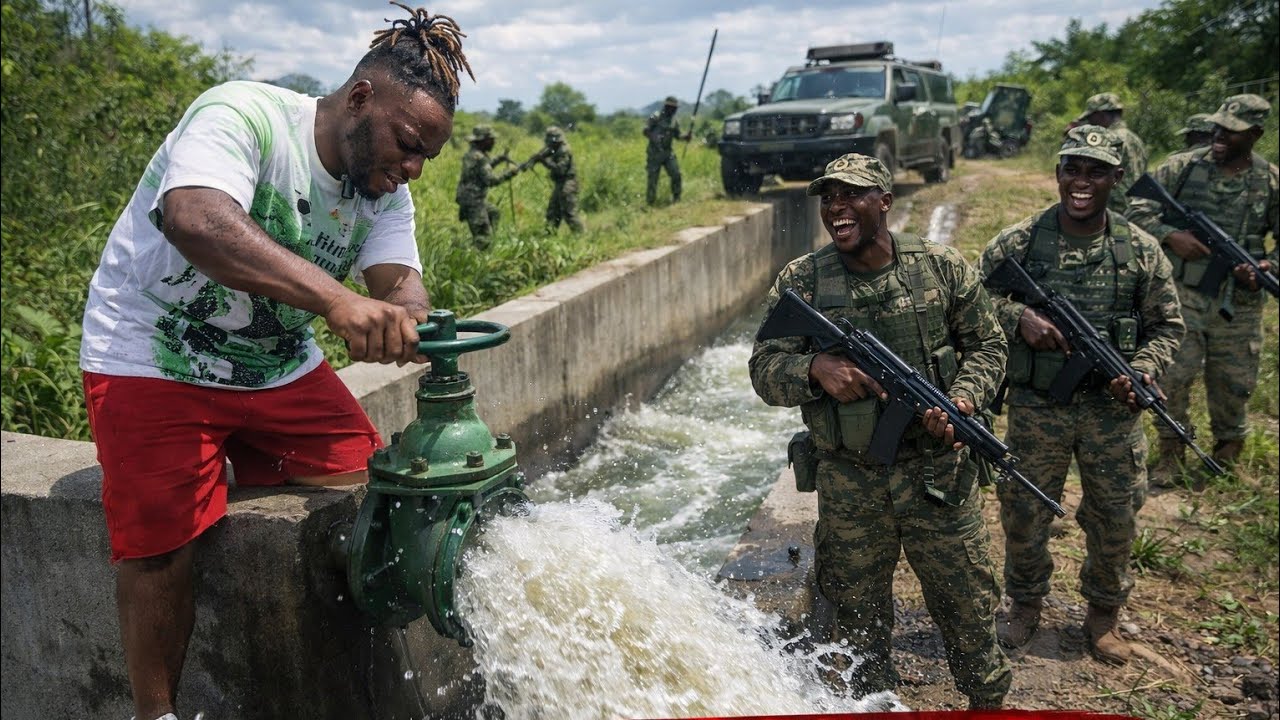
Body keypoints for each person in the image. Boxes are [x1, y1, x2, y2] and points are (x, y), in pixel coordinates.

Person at [77, 6, 471, 719]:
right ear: (360, 98)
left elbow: (397, 279)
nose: (410, 168)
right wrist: (336, 303)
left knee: (372, 483)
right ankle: (156, 712)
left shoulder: (383, 188)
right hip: (154, 354)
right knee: (162, 544)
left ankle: (222, 457)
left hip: (273, 365)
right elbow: (194, 216)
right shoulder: (245, 115)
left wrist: (412, 313)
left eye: (424, 159)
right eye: (406, 144)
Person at [749, 153, 1012, 709]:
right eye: (828, 198)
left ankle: (988, 702)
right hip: (850, 483)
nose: (836, 207)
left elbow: (988, 345)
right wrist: (815, 370)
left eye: (851, 195)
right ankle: (878, 702)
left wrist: (963, 399)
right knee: (858, 618)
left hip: (938, 476)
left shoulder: (941, 267)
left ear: (884, 202)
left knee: (968, 607)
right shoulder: (804, 279)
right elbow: (764, 370)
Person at [978, 126, 1184, 665]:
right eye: (1072, 168)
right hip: (1038, 406)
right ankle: (1024, 605)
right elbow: (970, 304)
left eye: (1096, 171)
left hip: (1111, 412)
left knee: (1114, 515)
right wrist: (1018, 315)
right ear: (1058, 174)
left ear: (1117, 178)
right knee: (1023, 510)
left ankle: (1103, 617)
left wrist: (1140, 369)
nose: (1082, 181)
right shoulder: (1020, 241)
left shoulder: (1140, 250)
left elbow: (1167, 326)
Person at [1126, 94, 1278, 482]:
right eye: (1218, 126)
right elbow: (1136, 210)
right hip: (1181, 294)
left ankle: (1227, 456)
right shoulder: (1181, 167)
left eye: (1233, 131)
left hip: (1239, 302)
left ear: (1256, 134)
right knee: (1172, 375)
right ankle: (1172, 452)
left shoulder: (1269, 180)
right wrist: (1170, 235)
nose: (1220, 135)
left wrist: (1266, 266)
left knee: (1235, 381)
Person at [1075, 92, 1148, 214]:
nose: (1089, 123)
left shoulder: (1108, 139)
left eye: (1090, 118)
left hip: (1116, 210)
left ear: (1101, 115)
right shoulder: (1136, 139)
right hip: (1137, 210)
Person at [456, 124, 523, 248]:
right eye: (491, 140)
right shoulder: (479, 157)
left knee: (494, 212)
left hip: (470, 198)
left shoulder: (474, 154)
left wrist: (500, 159)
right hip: (473, 201)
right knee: (483, 238)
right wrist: (510, 172)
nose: (493, 142)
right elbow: (490, 180)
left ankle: (488, 240)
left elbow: (483, 170)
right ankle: (478, 251)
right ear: (483, 141)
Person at [524, 125, 585, 233]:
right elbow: (541, 155)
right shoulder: (554, 149)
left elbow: (559, 169)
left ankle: (580, 235)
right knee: (553, 212)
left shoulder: (563, 150)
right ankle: (549, 235)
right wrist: (531, 161)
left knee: (569, 212)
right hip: (560, 183)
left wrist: (543, 161)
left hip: (568, 183)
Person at [644, 96, 691, 205]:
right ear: (666, 107)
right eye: (672, 108)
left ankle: (676, 198)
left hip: (668, 153)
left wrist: (686, 137)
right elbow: (645, 131)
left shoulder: (674, 121)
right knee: (653, 179)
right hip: (654, 154)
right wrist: (654, 137)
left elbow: (677, 136)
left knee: (676, 174)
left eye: (675, 108)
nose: (674, 110)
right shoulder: (655, 117)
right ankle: (650, 203)